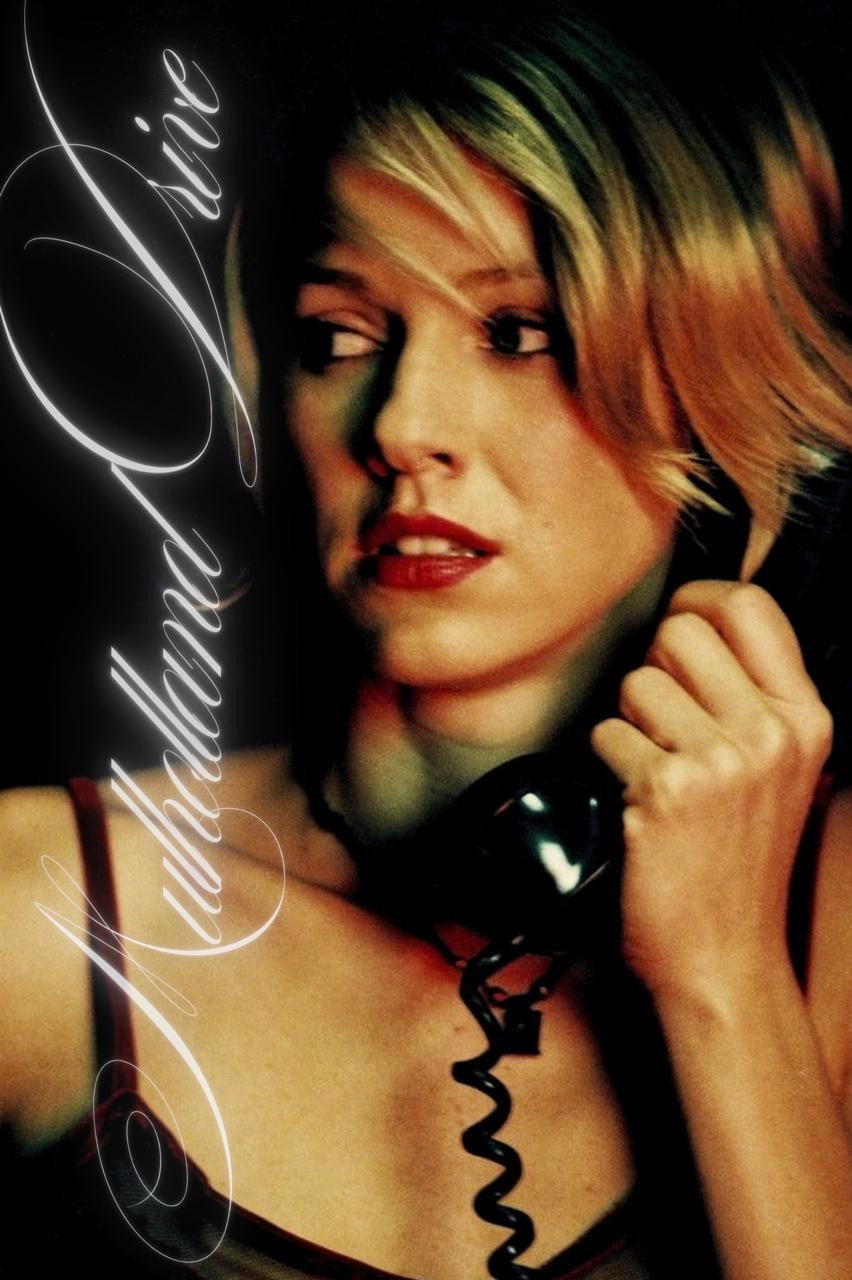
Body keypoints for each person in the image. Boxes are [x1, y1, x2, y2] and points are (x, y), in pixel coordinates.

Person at [2, 2, 852, 1277]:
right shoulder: (45, 905)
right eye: (338, 337)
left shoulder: (825, 913)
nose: (401, 423)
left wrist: (723, 976)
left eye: (519, 333)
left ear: (714, 382)